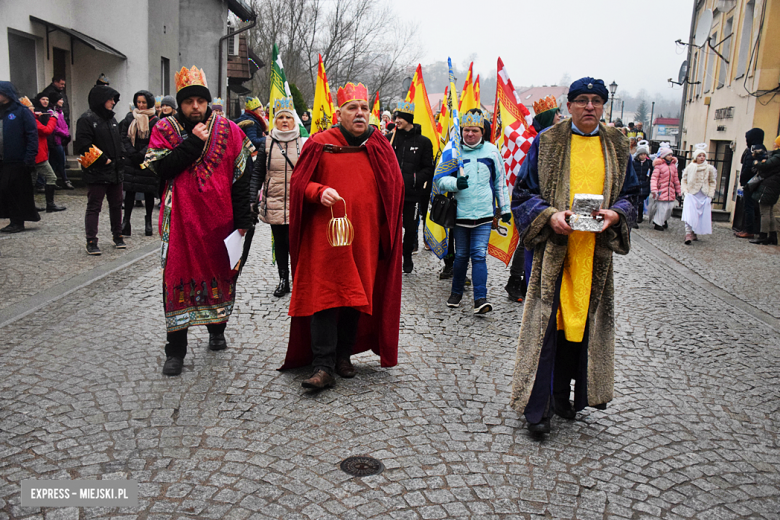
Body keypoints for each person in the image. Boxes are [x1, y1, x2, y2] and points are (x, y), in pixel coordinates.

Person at [510, 77, 639, 434]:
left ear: (603, 106)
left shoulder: (616, 145)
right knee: (546, 329)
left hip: (594, 254)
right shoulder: (548, 142)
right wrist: (549, 216)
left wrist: (616, 214)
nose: (589, 106)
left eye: (597, 100)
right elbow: (522, 194)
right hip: (555, 253)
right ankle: (537, 410)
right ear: (569, 106)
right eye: (581, 100)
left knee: (578, 329)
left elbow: (632, 195)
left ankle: (564, 396)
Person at [280, 82, 404, 390]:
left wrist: (388, 229)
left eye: (364, 109)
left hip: (364, 237)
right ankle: (322, 365)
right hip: (324, 239)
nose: (360, 114)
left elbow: (394, 188)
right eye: (353, 108)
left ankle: (343, 357)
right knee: (324, 299)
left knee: (354, 297)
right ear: (340, 113)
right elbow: (298, 185)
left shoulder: (379, 145)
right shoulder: (320, 143)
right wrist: (318, 191)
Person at [144, 66, 253, 377]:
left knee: (220, 274)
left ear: (208, 103)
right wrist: (191, 143)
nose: (195, 107)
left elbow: (241, 176)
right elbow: (161, 169)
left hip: (220, 221)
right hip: (180, 222)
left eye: (200, 101)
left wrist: (244, 217)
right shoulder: (164, 129)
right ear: (181, 103)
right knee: (176, 278)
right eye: (189, 101)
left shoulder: (229, 129)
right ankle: (175, 350)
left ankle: (217, 329)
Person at [436, 109, 510, 315]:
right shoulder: (452, 150)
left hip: (484, 215)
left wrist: (504, 208)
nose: (470, 134)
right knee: (461, 256)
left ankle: (480, 299)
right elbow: (440, 180)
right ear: (461, 131)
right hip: (460, 215)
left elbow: (500, 182)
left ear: (482, 131)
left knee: (478, 255)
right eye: (467, 130)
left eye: (475, 130)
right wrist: (454, 183)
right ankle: (456, 292)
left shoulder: (492, 152)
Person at [505, 96, 562, 303]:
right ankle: (516, 281)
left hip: (552, 199)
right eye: (556, 113)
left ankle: (530, 283)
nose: (560, 116)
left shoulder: (558, 138)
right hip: (532, 198)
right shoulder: (531, 140)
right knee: (527, 239)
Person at [250, 96, 304, 297]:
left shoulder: (304, 142)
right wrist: (252, 197)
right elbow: (258, 172)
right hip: (275, 201)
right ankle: (283, 279)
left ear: (294, 120)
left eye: (287, 118)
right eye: (280, 117)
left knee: (297, 244)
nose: (284, 121)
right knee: (280, 244)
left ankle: (298, 279)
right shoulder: (267, 142)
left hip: (298, 202)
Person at [75, 85, 126, 255]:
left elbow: (119, 142)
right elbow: (83, 145)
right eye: (110, 99)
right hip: (97, 172)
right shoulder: (87, 119)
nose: (113, 102)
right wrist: (104, 160)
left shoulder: (112, 120)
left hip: (116, 171)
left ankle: (118, 235)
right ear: (101, 99)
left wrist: (121, 158)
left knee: (117, 205)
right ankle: (91, 240)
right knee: (94, 206)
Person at [388, 101, 434, 273]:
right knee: (391, 227)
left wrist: (413, 180)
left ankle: (407, 256)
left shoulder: (423, 142)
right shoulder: (390, 138)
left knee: (410, 227)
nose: (397, 120)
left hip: (412, 194)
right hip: (391, 193)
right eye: (395, 117)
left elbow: (428, 168)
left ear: (408, 119)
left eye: (400, 117)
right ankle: (391, 258)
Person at [0, 82, 40, 233]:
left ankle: (18, 221)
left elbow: (32, 135)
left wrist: (29, 157)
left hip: (17, 159)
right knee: (4, 190)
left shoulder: (21, 111)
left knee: (14, 190)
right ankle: (11, 218)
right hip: (2, 159)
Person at [119, 90, 159, 237]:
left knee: (148, 191)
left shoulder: (155, 120)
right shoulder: (130, 117)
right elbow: (123, 137)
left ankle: (148, 221)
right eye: (139, 102)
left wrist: (141, 154)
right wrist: (131, 153)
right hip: (131, 159)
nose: (141, 105)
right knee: (130, 191)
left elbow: (154, 140)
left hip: (146, 159)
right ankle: (126, 221)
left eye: (143, 102)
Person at [31, 93, 66, 212]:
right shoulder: (33, 121)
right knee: (51, 177)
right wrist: (53, 118)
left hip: (37, 153)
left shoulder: (33, 119)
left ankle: (30, 205)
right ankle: (50, 204)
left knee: (32, 180)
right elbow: (46, 130)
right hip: (38, 155)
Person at [680, 144, 717, 244]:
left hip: (703, 194)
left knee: (699, 215)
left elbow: (712, 182)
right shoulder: (690, 167)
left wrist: (710, 195)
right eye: (699, 156)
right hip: (691, 193)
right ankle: (688, 233)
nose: (702, 158)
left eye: (703, 156)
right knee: (689, 213)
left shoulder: (709, 168)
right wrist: (685, 191)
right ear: (696, 157)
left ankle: (694, 231)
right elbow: (684, 179)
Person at [749, 135, 780, 245]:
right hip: (774, 186)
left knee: (764, 212)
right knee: (770, 212)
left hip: (769, 186)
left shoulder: (778, 156)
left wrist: (757, 163)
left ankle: (763, 236)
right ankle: (772, 236)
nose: (773, 142)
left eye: (776, 141)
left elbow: (766, 165)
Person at [736, 128, 766, 239]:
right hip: (756, 182)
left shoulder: (754, 149)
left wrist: (743, 180)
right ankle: (751, 229)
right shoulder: (762, 148)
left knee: (749, 207)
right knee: (753, 207)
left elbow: (748, 167)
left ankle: (748, 230)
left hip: (751, 183)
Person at [649, 144, 680, 231]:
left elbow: (676, 179)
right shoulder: (659, 166)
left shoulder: (673, 166)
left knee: (669, 208)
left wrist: (679, 190)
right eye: (668, 155)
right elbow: (654, 178)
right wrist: (654, 189)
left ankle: (662, 221)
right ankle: (658, 223)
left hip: (670, 191)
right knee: (662, 207)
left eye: (671, 155)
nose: (670, 156)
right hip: (661, 190)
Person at [49, 93, 74, 190]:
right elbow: (55, 128)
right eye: (60, 99)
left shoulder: (60, 112)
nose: (62, 101)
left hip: (61, 140)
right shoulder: (52, 112)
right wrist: (65, 134)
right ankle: (64, 180)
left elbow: (64, 125)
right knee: (60, 161)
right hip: (56, 141)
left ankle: (51, 181)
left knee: (54, 162)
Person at [633, 140, 653, 224]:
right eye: (641, 154)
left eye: (644, 154)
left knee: (641, 201)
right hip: (636, 184)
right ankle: (637, 216)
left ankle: (640, 215)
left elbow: (651, 173)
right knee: (637, 201)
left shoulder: (649, 163)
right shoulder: (634, 163)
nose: (643, 156)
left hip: (645, 184)